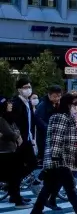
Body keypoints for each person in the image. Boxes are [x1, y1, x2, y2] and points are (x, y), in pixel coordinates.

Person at [28, 92, 77, 214]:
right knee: (70, 187)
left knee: (48, 188)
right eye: (75, 103)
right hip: (59, 159)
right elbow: (56, 139)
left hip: (62, 158)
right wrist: (56, 158)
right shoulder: (60, 117)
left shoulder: (67, 117)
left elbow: (65, 136)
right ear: (67, 103)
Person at [4, 79, 37, 207]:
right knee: (20, 167)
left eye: (29, 86)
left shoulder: (28, 102)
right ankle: (15, 195)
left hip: (27, 139)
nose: (28, 89)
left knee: (30, 164)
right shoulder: (15, 103)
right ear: (19, 89)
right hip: (18, 140)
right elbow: (10, 121)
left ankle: (13, 186)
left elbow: (32, 121)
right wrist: (15, 136)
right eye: (25, 87)